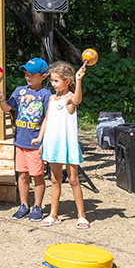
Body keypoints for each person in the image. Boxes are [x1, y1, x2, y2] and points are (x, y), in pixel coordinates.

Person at [32, 61, 89, 229]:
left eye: (56, 81)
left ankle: (81, 216)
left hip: (68, 144)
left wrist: (79, 80)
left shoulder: (69, 98)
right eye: (52, 80)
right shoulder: (51, 98)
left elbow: (77, 100)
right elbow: (47, 120)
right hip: (52, 144)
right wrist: (40, 139)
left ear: (67, 82)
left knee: (73, 179)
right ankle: (53, 215)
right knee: (55, 179)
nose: (53, 83)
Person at [0, 57, 50, 221]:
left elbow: (48, 119)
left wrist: (42, 142)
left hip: (35, 144)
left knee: (37, 175)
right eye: (26, 73)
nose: (28, 77)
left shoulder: (45, 94)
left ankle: (38, 206)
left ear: (43, 76)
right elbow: (7, 108)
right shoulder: (19, 91)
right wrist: (2, 99)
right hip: (19, 142)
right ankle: (24, 205)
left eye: (32, 74)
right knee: (22, 175)